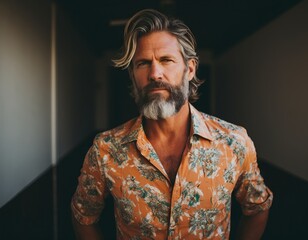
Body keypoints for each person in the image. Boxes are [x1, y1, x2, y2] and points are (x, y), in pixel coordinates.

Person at [71, 8, 273, 240]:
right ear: (133, 76)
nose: (155, 73)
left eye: (166, 60)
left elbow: (257, 208)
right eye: (143, 63)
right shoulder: (106, 149)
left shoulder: (234, 142)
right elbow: (83, 215)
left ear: (190, 69)